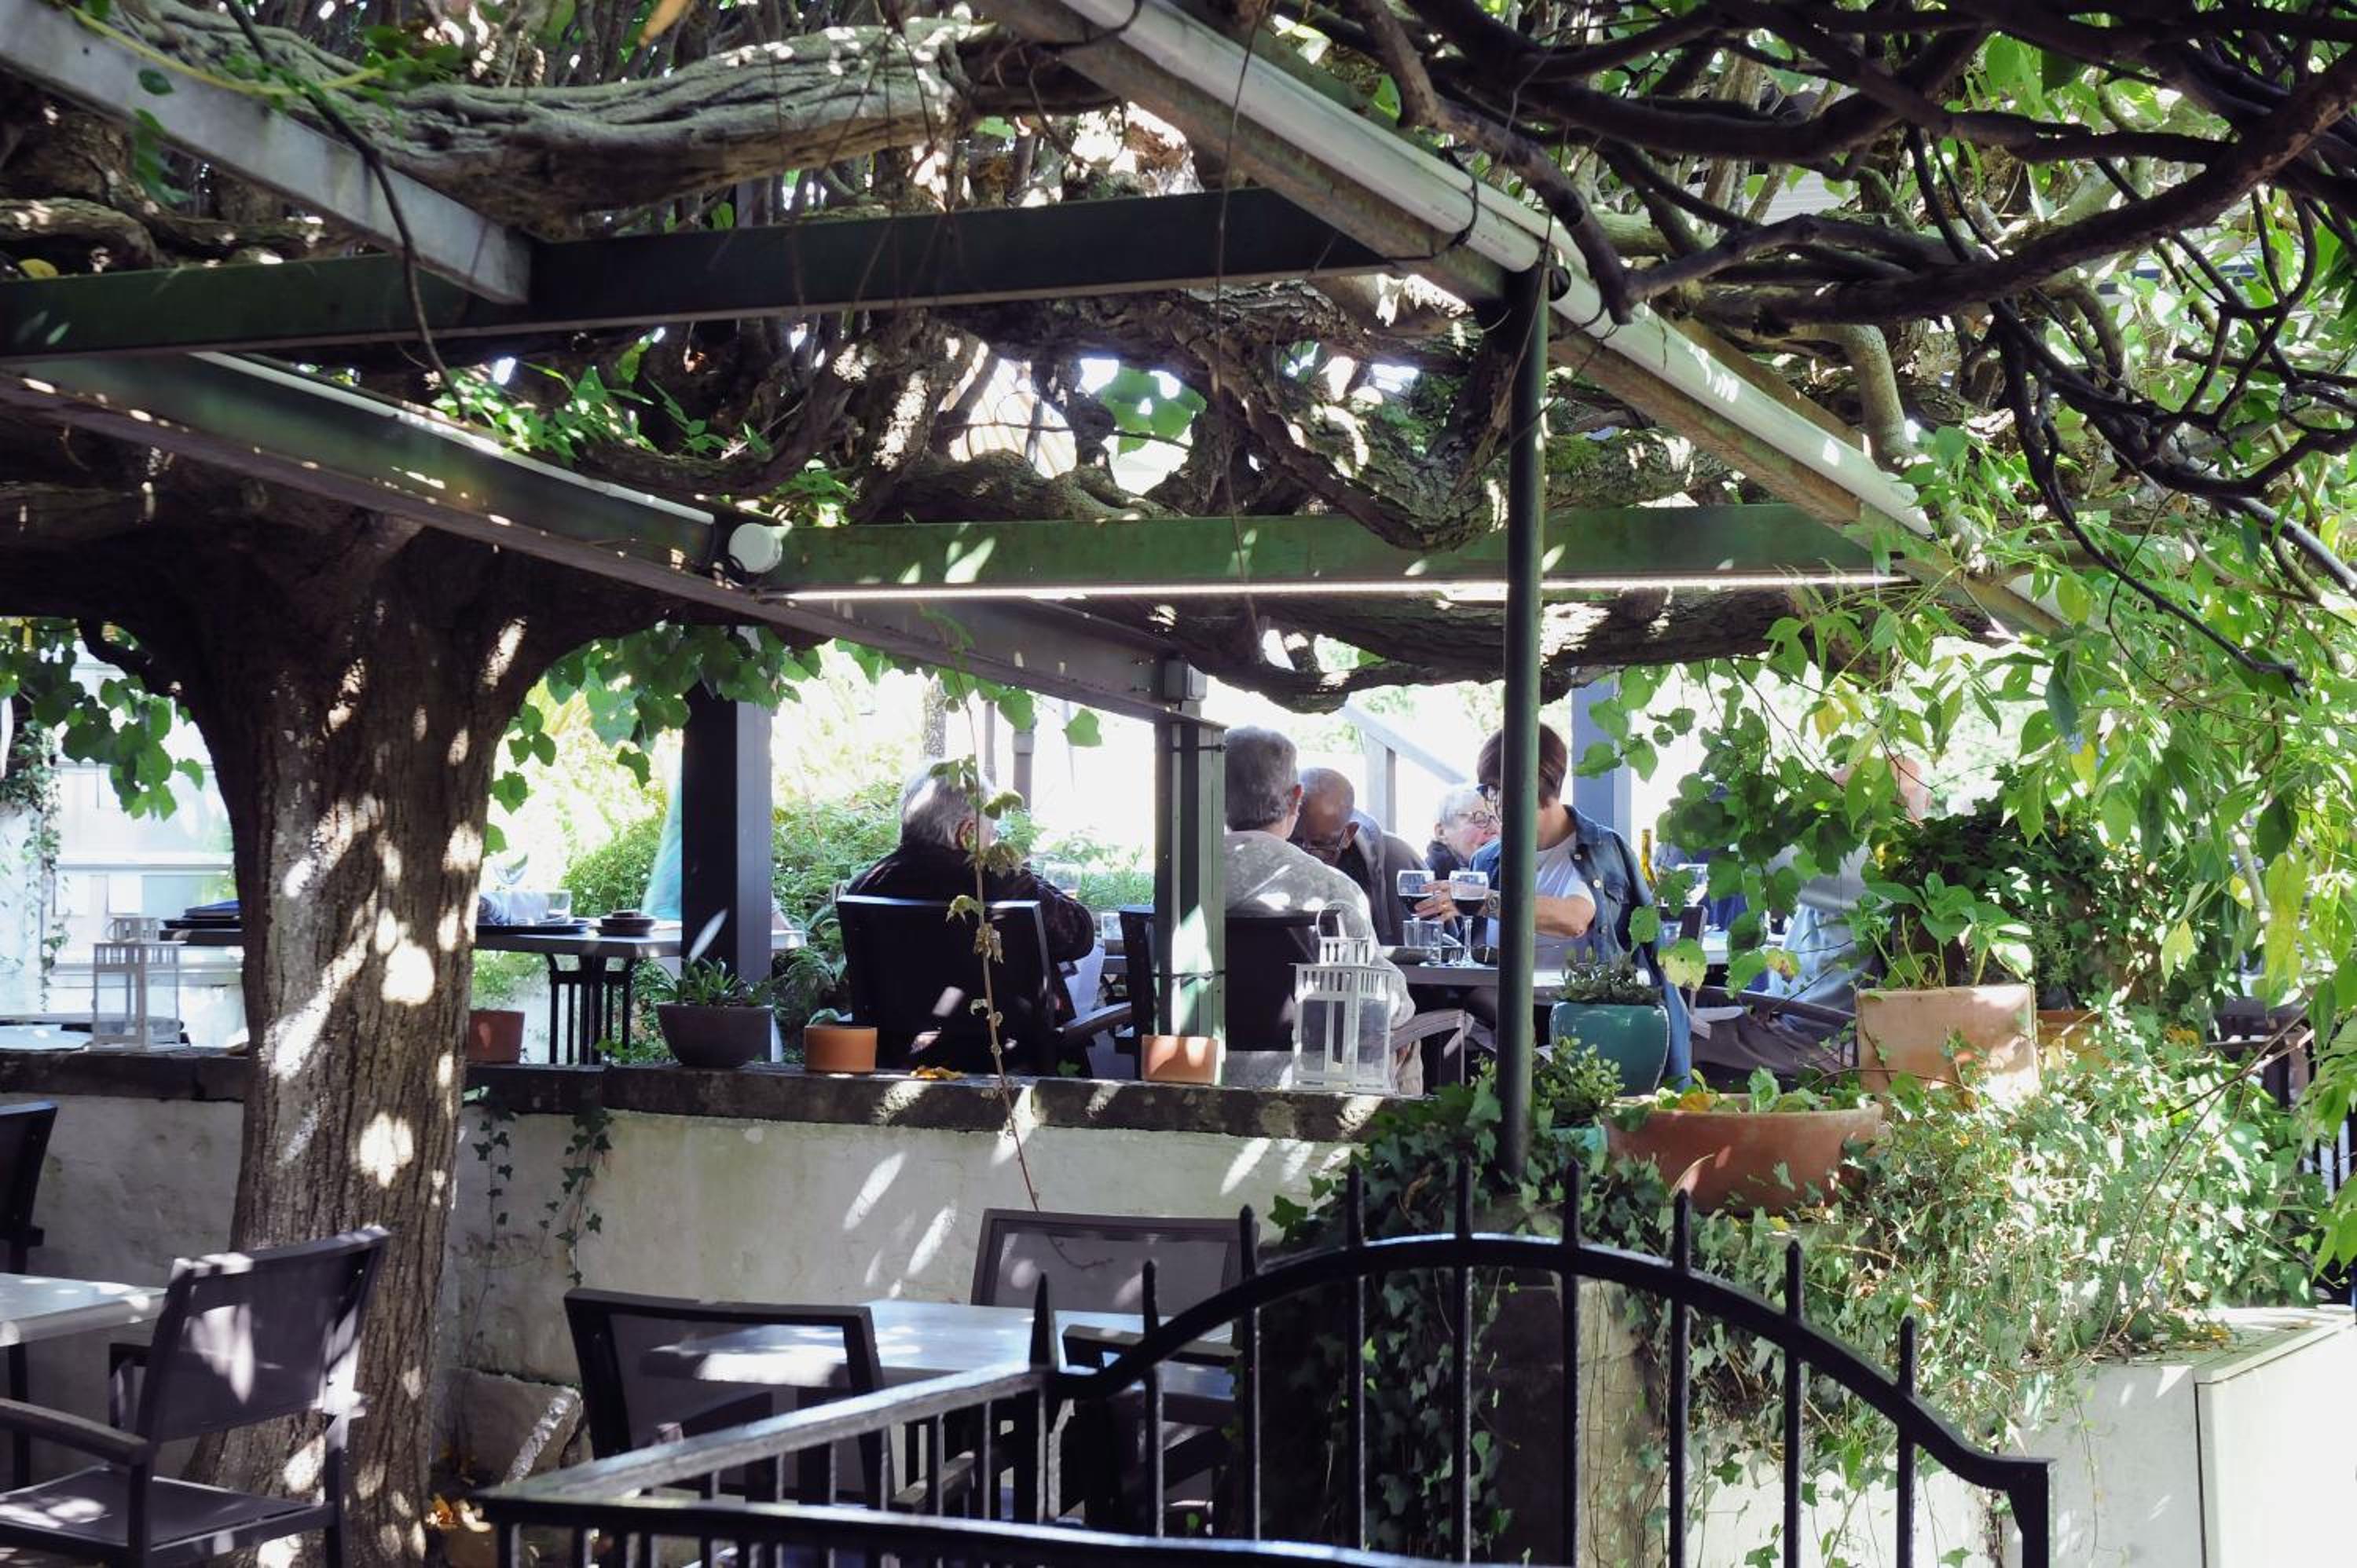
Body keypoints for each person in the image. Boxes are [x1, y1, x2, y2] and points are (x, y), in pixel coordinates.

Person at [1470, 722, 1692, 1083]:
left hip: (1587, 1022)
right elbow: (1471, 957)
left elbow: (1573, 918)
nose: (1492, 802)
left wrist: (1482, 902)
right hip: (1501, 1020)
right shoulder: (1488, 860)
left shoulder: (1598, 849)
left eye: (1495, 789)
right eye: (1488, 791)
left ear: (1533, 784)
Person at [1223, 728, 1417, 1090]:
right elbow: (1386, 1000)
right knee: (1405, 1034)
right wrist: (1405, 1012)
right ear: (1296, 799)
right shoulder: (1331, 888)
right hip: (1310, 1081)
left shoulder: (1180, 885)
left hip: (1195, 1072)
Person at [845, 760, 1096, 974]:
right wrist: (1014, 869)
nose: (992, 840)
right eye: (991, 831)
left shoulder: (865, 887)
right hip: (1000, 1019)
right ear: (968, 834)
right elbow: (1080, 937)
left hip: (900, 1020)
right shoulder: (1000, 884)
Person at [1291, 767, 1429, 945]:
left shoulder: (1396, 860)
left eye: (1322, 844)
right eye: (1295, 841)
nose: (1308, 856)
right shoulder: (1271, 856)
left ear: (1349, 834)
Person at [1426, 783, 1500, 881]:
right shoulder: (1427, 881)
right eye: (1480, 819)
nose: (1495, 829)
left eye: (1498, 820)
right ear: (1441, 832)